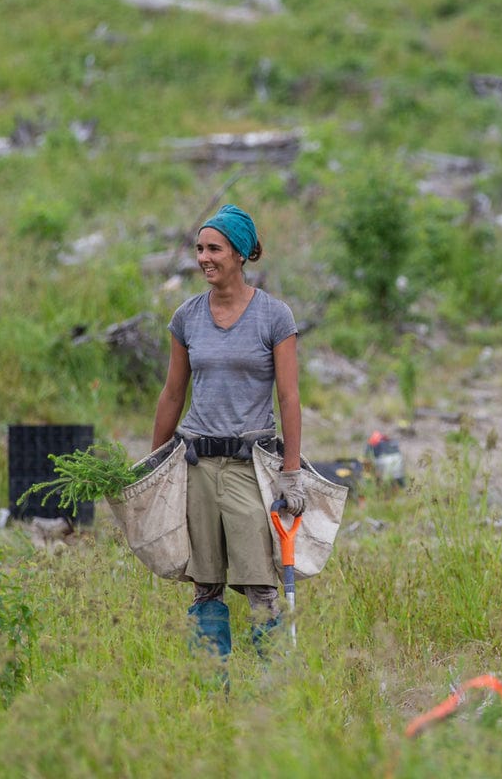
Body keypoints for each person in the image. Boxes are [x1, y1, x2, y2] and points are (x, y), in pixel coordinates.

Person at [151, 204, 306, 661]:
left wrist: (291, 472)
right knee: (205, 585)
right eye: (199, 248)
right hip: (197, 461)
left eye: (214, 248)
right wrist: (153, 463)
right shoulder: (187, 317)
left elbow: (289, 399)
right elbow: (172, 394)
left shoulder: (273, 317)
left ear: (240, 253)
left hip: (247, 464)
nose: (204, 258)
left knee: (260, 584)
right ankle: (210, 683)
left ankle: (272, 687)